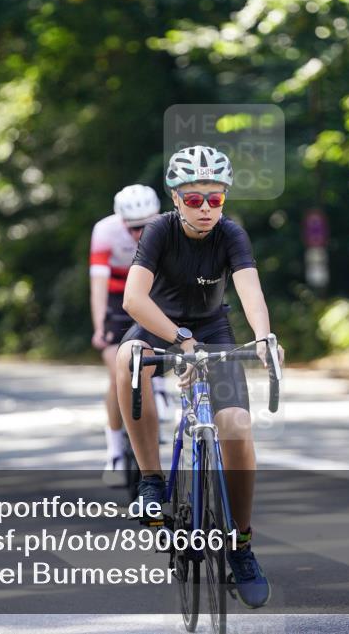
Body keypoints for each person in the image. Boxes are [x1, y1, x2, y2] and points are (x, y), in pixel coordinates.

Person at [115, 145, 283, 609]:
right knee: (127, 358)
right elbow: (133, 299)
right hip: (159, 322)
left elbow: (250, 290)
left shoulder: (231, 234)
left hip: (212, 329)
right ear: (175, 198)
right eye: (194, 199)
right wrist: (180, 341)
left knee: (236, 427)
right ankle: (150, 478)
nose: (206, 208)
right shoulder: (158, 232)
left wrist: (265, 338)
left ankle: (241, 544)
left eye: (215, 199)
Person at [90, 184, 161, 485]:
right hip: (116, 304)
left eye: (145, 226)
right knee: (115, 372)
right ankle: (116, 451)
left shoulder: (168, 227)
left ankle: (160, 391)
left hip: (153, 298)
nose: (139, 234)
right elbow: (98, 285)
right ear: (121, 221)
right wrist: (99, 327)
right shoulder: (105, 232)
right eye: (132, 228)